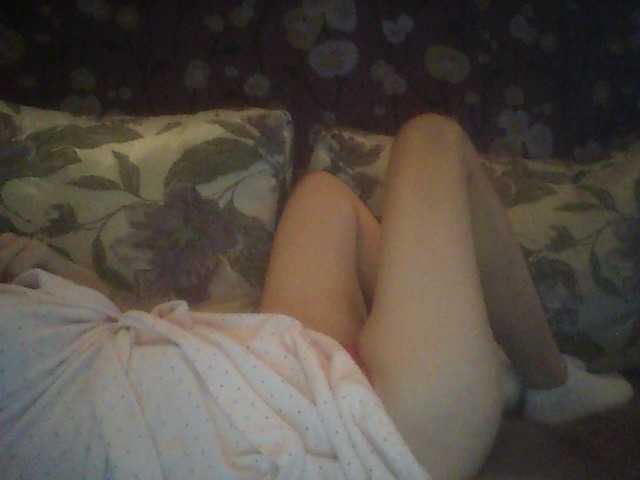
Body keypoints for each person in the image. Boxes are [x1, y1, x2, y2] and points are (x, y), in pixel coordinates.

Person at [0, 114, 634, 479]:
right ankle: (547, 384)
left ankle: (471, 361)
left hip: (278, 367)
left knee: (324, 198)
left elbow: (103, 335)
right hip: (369, 438)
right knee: (432, 139)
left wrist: (40, 266)